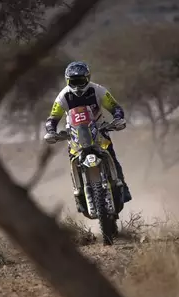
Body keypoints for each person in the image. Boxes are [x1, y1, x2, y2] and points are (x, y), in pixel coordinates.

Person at [43, 61, 132, 215]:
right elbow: (53, 117)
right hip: (75, 135)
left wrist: (117, 119)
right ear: (67, 81)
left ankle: (122, 188)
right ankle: (79, 195)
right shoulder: (63, 96)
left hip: (99, 131)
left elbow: (115, 107)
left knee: (112, 157)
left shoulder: (98, 90)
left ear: (88, 79)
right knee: (73, 162)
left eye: (81, 81)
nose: (77, 86)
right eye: (74, 82)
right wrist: (51, 130)